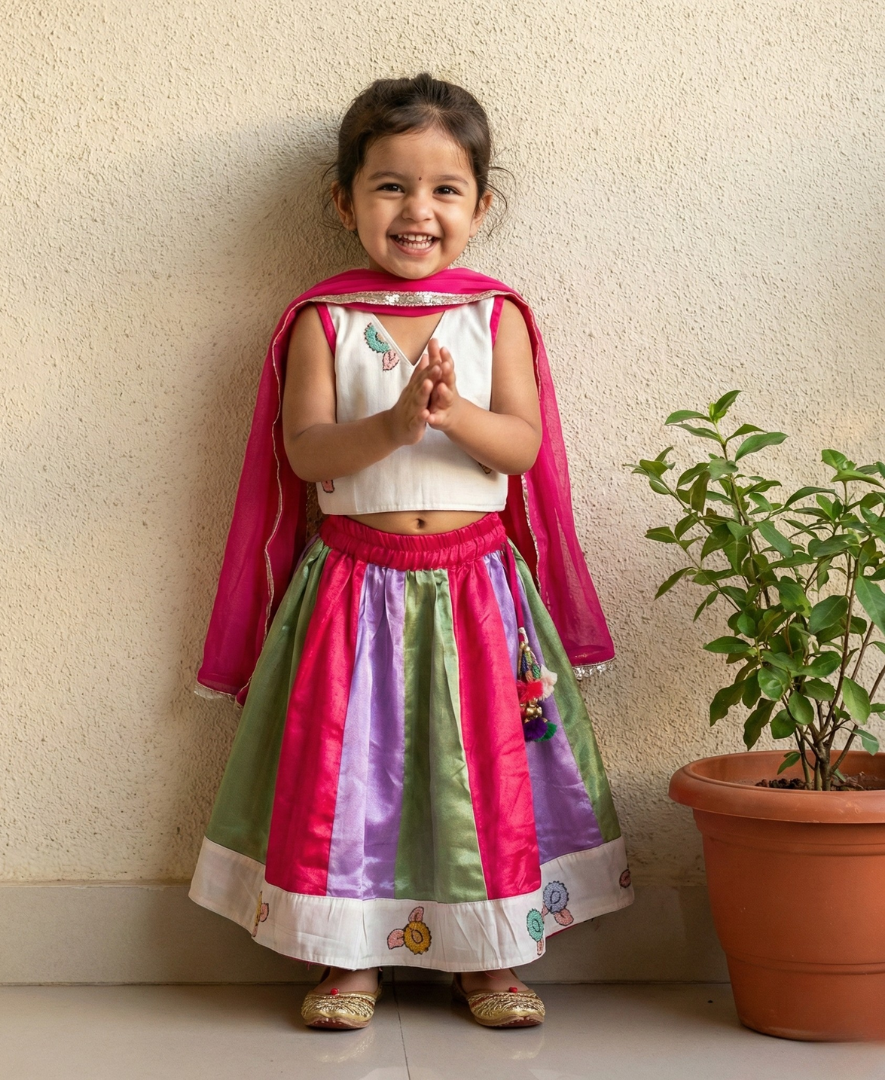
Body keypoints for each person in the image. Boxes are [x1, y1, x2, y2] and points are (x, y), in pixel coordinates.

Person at [190, 74, 631, 1030]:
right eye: (389, 185)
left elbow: (521, 447)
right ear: (343, 200)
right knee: (349, 772)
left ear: (481, 204)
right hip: (353, 589)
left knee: (482, 775)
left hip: (478, 590)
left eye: (444, 189)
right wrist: (393, 425)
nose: (417, 209)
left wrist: (455, 412)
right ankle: (347, 960)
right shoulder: (325, 320)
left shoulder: (496, 316)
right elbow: (307, 453)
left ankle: (491, 956)